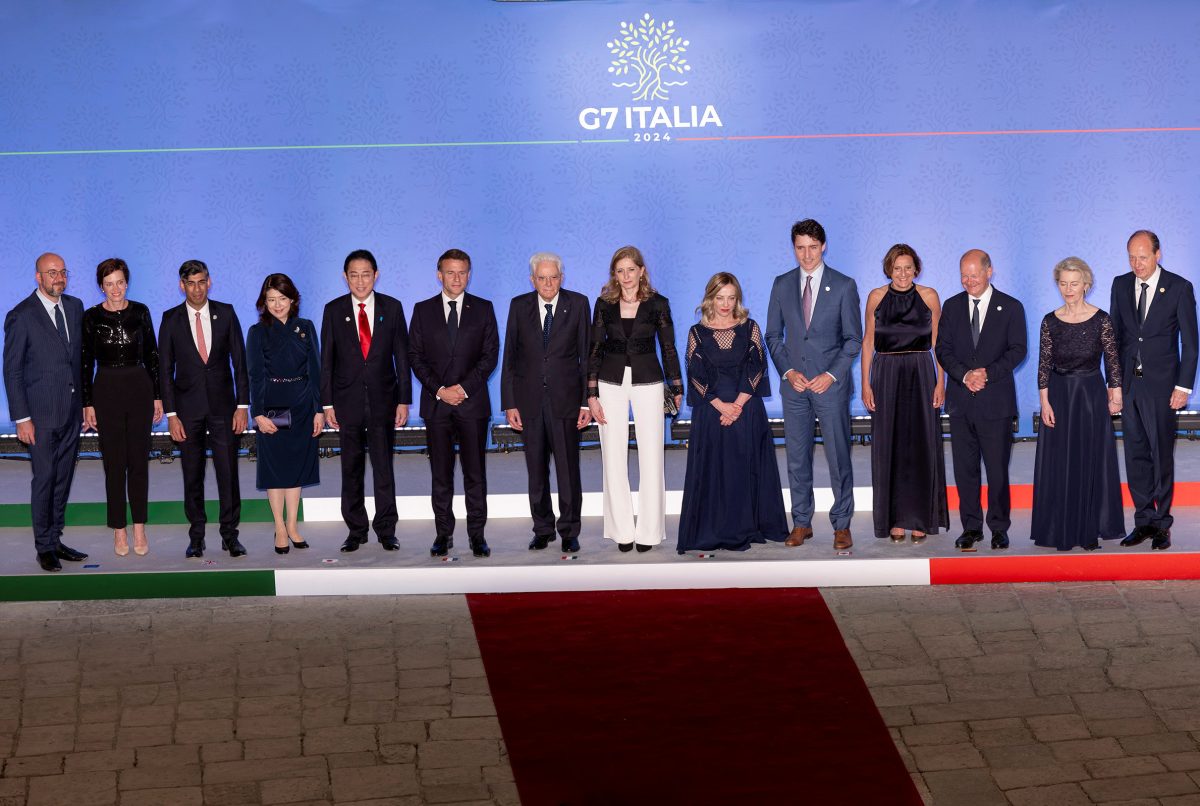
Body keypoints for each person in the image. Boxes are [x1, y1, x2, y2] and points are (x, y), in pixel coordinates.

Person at [765, 219, 863, 550]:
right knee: (796, 457)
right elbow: (773, 336)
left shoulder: (845, 285)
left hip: (830, 387)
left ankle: (842, 524)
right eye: (799, 248)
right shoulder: (781, 284)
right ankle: (802, 522)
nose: (806, 255)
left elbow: (853, 340)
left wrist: (831, 375)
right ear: (793, 248)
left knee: (838, 457)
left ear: (823, 247)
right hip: (794, 388)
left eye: (812, 247)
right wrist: (788, 372)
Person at [677, 272, 787, 553]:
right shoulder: (696, 332)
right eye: (720, 297)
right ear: (710, 298)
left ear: (738, 299)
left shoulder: (750, 327)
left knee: (743, 470)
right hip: (710, 412)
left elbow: (757, 368)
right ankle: (713, 528)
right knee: (714, 473)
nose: (725, 304)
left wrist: (736, 406)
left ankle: (746, 526)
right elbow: (695, 375)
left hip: (747, 411)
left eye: (731, 298)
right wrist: (720, 405)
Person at [587, 246, 682, 552]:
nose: (626, 276)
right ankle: (622, 531)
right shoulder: (603, 304)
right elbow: (595, 349)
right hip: (609, 382)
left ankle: (650, 532)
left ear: (642, 270)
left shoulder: (658, 304)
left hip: (649, 381)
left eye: (631, 269)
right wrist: (591, 394)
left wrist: (677, 387)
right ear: (614, 274)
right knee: (612, 456)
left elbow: (669, 348)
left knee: (652, 455)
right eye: (620, 270)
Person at [408, 249, 499, 558]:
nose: (457, 278)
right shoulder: (422, 310)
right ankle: (443, 534)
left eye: (462, 272)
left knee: (475, 474)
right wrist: (440, 390)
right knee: (441, 475)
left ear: (469, 274)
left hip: (472, 405)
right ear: (439, 275)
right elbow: (415, 358)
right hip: (437, 406)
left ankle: (477, 536)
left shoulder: (484, 309)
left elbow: (490, 356)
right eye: (450, 272)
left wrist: (463, 388)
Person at [1111, 230, 1198, 552]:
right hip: (1130, 387)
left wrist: (1183, 386)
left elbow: (1190, 343)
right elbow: (1115, 340)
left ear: (1158, 254)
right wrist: (1114, 384)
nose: (1137, 263)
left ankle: (1163, 525)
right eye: (1132, 257)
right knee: (1135, 455)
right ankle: (1143, 521)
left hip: (1163, 388)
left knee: (1161, 455)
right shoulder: (1120, 285)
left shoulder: (1178, 287)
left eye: (1143, 257)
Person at [936, 249, 1028, 551]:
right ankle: (971, 527)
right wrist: (965, 376)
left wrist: (986, 373)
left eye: (974, 274)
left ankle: (999, 528)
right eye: (964, 274)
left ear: (990, 272)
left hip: (996, 403)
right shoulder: (951, 306)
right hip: (961, 402)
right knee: (965, 470)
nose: (968, 280)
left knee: (997, 470)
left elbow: (1018, 350)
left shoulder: (1011, 307)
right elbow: (943, 350)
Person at [320, 249, 411, 553]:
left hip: (385, 401)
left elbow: (402, 357)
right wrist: (327, 403)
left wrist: (404, 400)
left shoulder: (393, 307)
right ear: (345, 277)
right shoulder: (333, 310)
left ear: (376, 274)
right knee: (351, 468)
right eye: (354, 275)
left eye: (366, 274)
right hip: (347, 402)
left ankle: (386, 529)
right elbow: (327, 361)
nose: (360, 281)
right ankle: (356, 530)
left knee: (384, 467)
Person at [500, 251, 592, 554]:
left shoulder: (578, 304)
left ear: (562, 278)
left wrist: (586, 402)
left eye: (554, 277)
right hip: (528, 404)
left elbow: (585, 358)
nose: (548, 283)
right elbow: (510, 358)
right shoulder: (518, 305)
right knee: (535, 471)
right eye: (542, 278)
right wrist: (509, 403)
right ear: (532, 280)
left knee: (568, 471)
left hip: (566, 402)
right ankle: (542, 529)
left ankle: (569, 530)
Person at [3, 253, 89, 572]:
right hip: (38, 417)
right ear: (38, 277)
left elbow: (79, 361)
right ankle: (44, 547)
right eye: (51, 273)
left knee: (63, 478)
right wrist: (21, 418)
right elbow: (11, 371)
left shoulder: (76, 307)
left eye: (63, 272)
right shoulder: (21, 315)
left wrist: (86, 405)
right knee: (45, 479)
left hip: (71, 412)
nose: (58, 278)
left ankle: (55, 538)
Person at [1030, 257, 1124, 551]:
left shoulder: (1101, 319)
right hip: (1058, 395)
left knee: (1089, 459)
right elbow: (1043, 366)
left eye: (1074, 283)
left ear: (1086, 284)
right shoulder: (1050, 320)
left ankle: (1088, 529)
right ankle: (1061, 529)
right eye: (1062, 283)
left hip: (1090, 396)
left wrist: (1116, 395)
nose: (1068, 289)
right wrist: (1044, 402)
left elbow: (1112, 363)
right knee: (1060, 462)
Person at [159, 260, 250, 559]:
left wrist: (242, 406)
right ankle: (196, 536)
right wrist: (172, 415)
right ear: (181, 285)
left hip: (225, 409)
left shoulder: (226, 313)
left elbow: (240, 362)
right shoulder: (170, 319)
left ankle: (229, 535)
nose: (197, 288)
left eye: (201, 282)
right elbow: (164, 371)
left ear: (209, 282)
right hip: (187, 412)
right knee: (192, 475)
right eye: (190, 283)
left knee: (228, 474)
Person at [861, 245, 949, 544]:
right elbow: (868, 342)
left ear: (916, 269)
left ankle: (920, 518)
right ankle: (895, 520)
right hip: (885, 374)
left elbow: (939, 342)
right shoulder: (876, 297)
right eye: (897, 268)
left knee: (921, 445)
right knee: (890, 446)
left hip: (921, 372)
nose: (902, 274)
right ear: (889, 269)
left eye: (908, 267)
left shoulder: (929, 296)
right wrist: (865, 383)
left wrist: (941, 382)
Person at [81, 258, 162, 557]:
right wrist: (86, 402)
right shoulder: (91, 317)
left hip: (139, 386)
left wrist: (157, 396)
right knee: (114, 464)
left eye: (119, 282)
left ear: (126, 282)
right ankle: (119, 528)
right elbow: (85, 362)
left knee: (138, 461)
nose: (115, 289)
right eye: (108, 283)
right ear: (101, 286)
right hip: (106, 388)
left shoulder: (141, 312)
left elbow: (153, 355)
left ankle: (139, 525)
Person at [246, 274, 324, 553]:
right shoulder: (257, 332)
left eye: (282, 299)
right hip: (272, 408)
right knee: (275, 469)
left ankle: (293, 525)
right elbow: (254, 375)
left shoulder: (306, 327)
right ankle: (279, 527)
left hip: (303, 406)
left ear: (293, 300)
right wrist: (258, 413)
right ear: (263, 303)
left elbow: (315, 371)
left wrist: (318, 409)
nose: (277, 305)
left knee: (296, 468)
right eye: (271, 300)